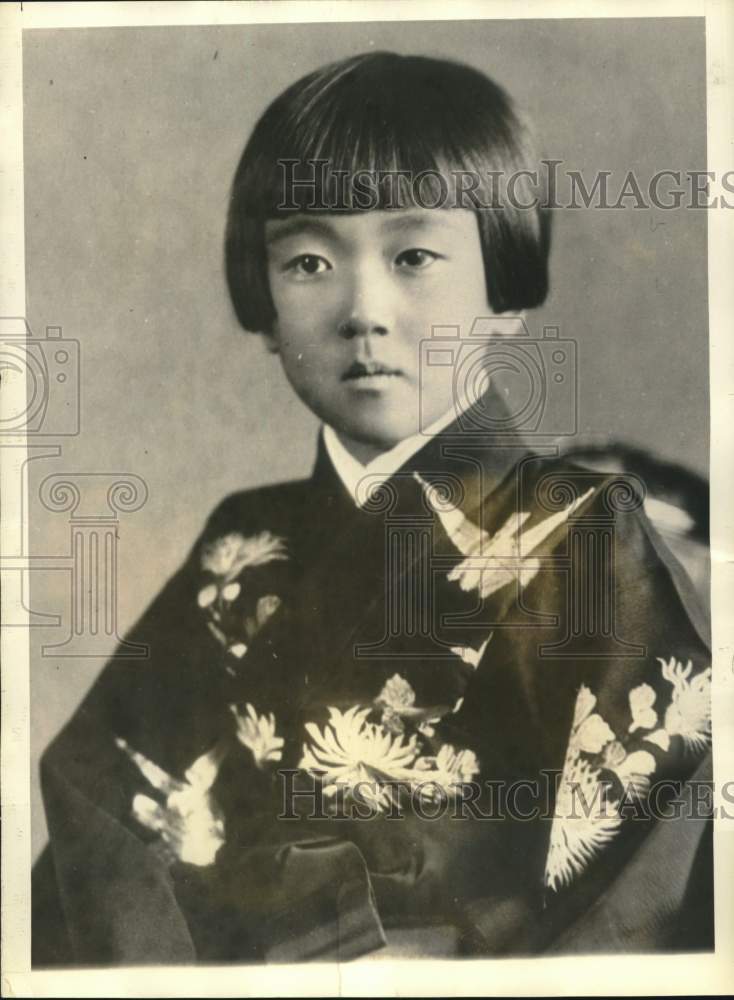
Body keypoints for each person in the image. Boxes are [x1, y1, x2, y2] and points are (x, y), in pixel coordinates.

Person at [32, 51, 713, 965]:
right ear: (265, 307)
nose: (364, 310)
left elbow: (648, 880)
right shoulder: (243, 547)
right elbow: (100, 806)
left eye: (415, 255)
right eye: (309, 260)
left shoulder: (586, 536)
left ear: (502, 293)